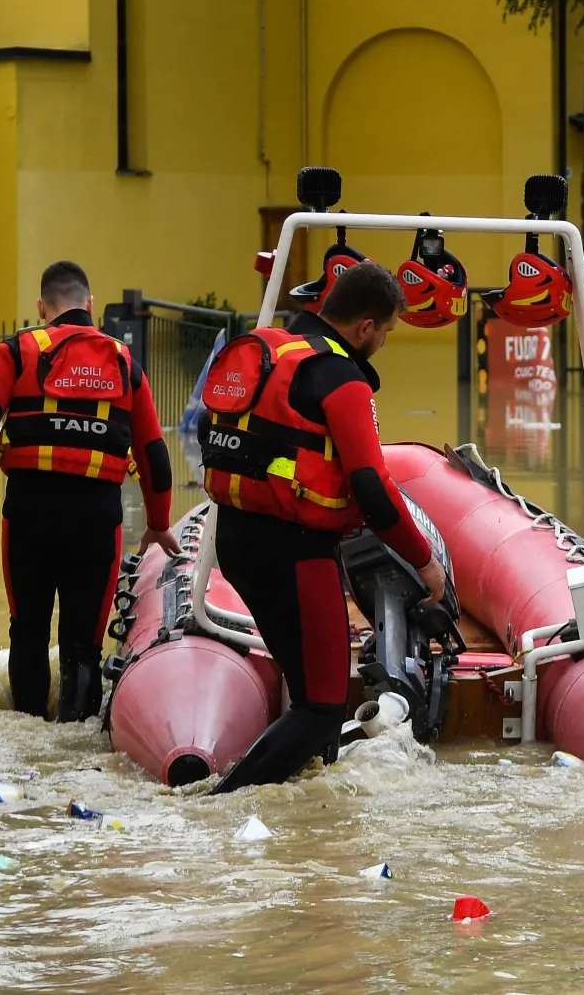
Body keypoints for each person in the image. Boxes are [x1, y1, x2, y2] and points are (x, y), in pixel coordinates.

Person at [200, 260, 444, 790]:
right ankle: (219, 809)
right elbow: (373, 490)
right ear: (365, 327)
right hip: (297, 549)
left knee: (310, 689)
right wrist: (425, 561)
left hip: (237, 539)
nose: (381, 344)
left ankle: (312, 817)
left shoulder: (270, 352)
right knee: (322, 707)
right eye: (385, 333)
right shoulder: (341, 375)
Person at [0, 261, 179, 722]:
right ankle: (72, 748)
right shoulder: (124, 361)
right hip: (98, 518)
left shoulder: (18, 351)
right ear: (90, 305)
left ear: (42, 308)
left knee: (29, 631)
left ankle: (27, 739)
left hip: (29, 514)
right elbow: (155, 454)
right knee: (83, 643)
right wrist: (159, 524)